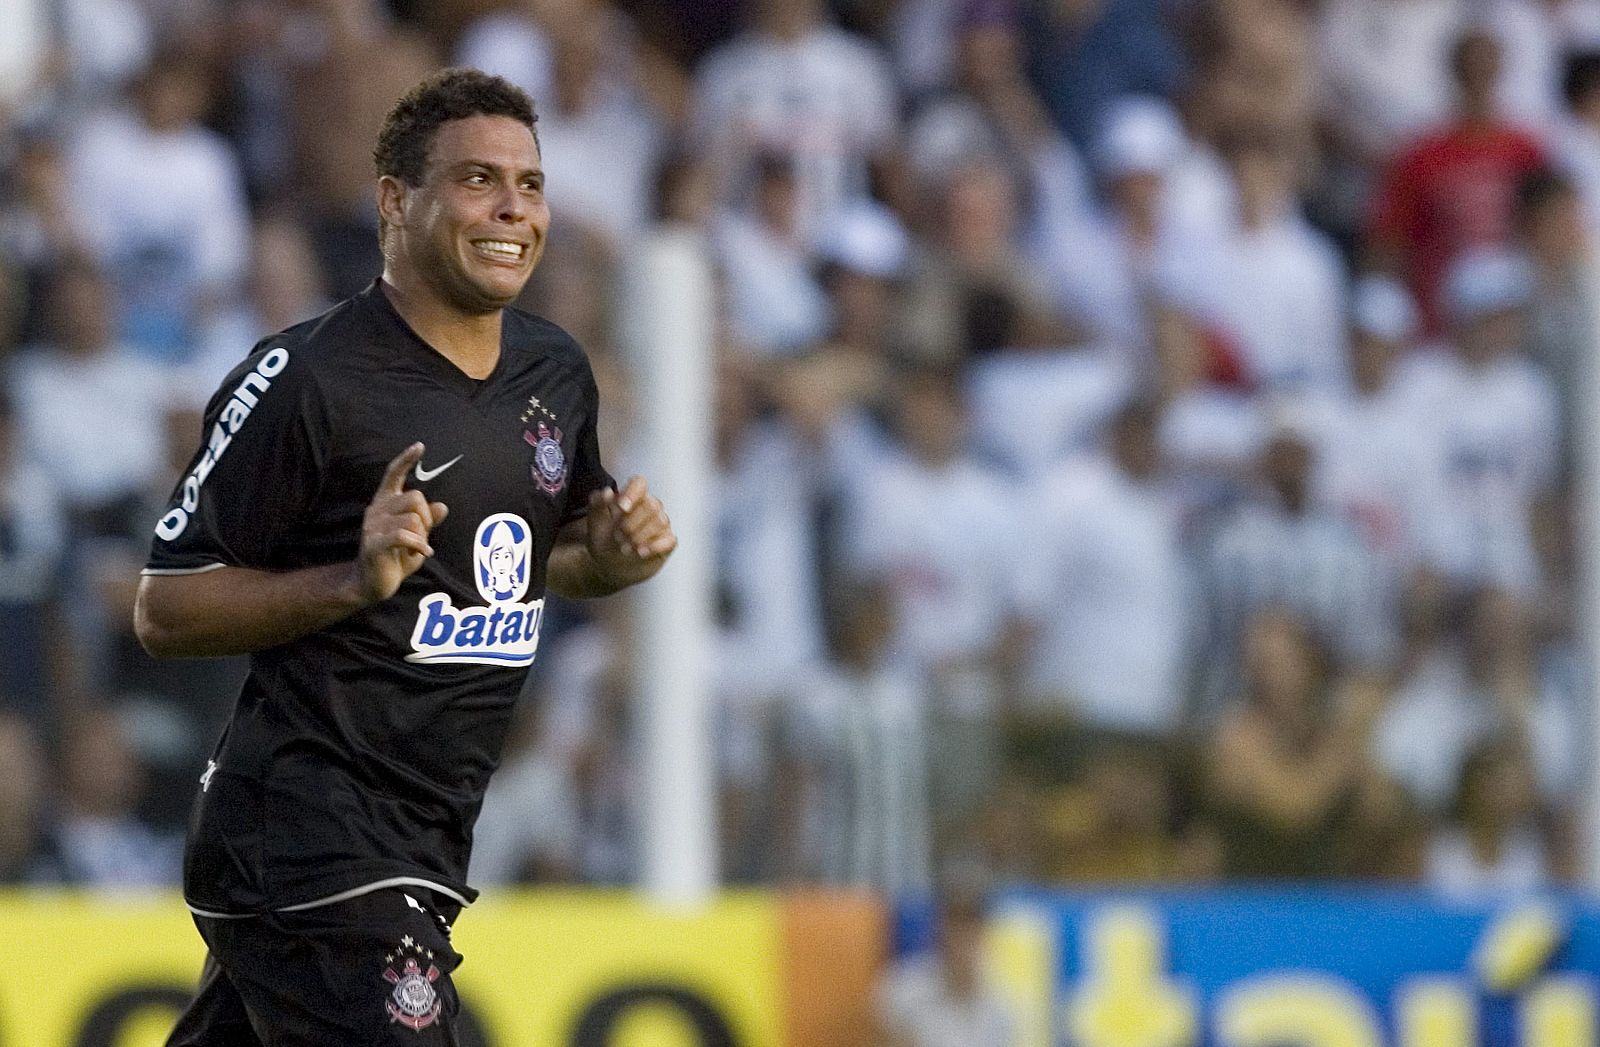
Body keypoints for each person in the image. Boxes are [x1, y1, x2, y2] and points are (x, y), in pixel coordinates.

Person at [139, 69, 676, 1046]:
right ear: (396, 200)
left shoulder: (552, 371)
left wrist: (615, 556)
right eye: (478, 179)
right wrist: (353, 579)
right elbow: (165, 608)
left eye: (530, 182)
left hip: (421, 842)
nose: (514, 205)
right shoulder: (305, 379)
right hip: (310, 842)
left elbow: (540, 562)